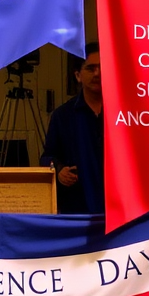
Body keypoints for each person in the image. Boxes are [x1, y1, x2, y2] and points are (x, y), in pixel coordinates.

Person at [40, 44, 104, 214]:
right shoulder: (63, 115)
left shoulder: (125, 112)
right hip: (78, 205)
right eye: (90, 68)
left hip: (120, 207)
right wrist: (59, 170)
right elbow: (47, 157)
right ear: (78, 75)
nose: (97, 74)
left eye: (102, 67)